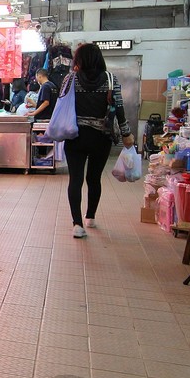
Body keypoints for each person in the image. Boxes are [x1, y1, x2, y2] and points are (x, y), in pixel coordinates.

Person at [63, 43, 134, 238]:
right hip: (101, 137)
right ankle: (90, 217)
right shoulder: (111, 79)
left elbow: (61, 104)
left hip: (75, 135)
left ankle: (77, 225)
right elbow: (119, 108)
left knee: (75, 179)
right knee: (94, 178)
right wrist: (126, 133)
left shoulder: (70, 79)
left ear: (79, 60)